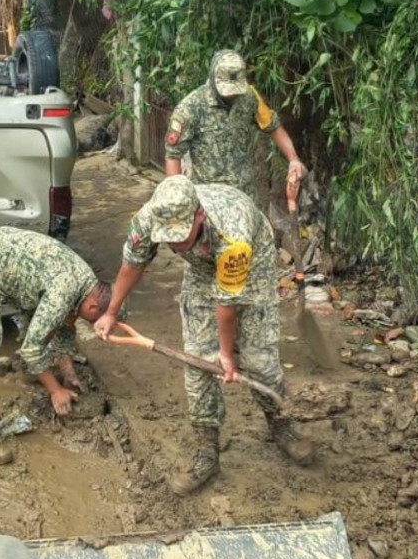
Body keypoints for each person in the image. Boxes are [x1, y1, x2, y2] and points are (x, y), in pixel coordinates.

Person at [93, 175, 316, 495]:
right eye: (168, 239)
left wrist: (226, 354)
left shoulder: (233, 232)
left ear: (198, 215)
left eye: (180, 237)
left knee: (259, 361)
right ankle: (207, 452)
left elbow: (227, 306)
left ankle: (281, 425)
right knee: (197, 364)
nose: (175, 246)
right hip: (202, 269)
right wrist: (112, 311)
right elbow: (133, 262)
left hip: (253, 266)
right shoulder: (150, 217)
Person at [0, 227, 114, 465]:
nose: (94, 326)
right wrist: (56, 391)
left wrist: (69, 374)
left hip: (11, 264)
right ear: (93, 308)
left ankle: (26, 370)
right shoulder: (66, 291)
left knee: (43, 326)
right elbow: (35, 347)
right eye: (94, 322)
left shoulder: (88, 286)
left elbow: (64, 327)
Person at [165, 50, 308, 210]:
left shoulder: (249, 97)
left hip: (244, 197)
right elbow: (173, 155)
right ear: (213, 80)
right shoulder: (190, 108)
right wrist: (179, 202)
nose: (232, 95)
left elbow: (273, 127)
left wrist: (293, 159)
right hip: (209, 200)